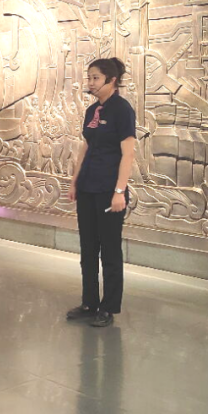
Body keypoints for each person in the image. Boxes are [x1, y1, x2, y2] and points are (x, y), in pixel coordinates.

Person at [66, 57, 136, 328]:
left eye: (96, 78)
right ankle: (89, 303)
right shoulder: (92, 111)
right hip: (87, 187)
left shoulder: (122, 110)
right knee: (88, 248)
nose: (91, 83)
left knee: (109, 250)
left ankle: (108, 307)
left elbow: (128, 154)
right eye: (89, 78)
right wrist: (75, 181)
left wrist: (120, 191)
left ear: (112, 80)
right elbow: (86, 147)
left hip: (109, 190)